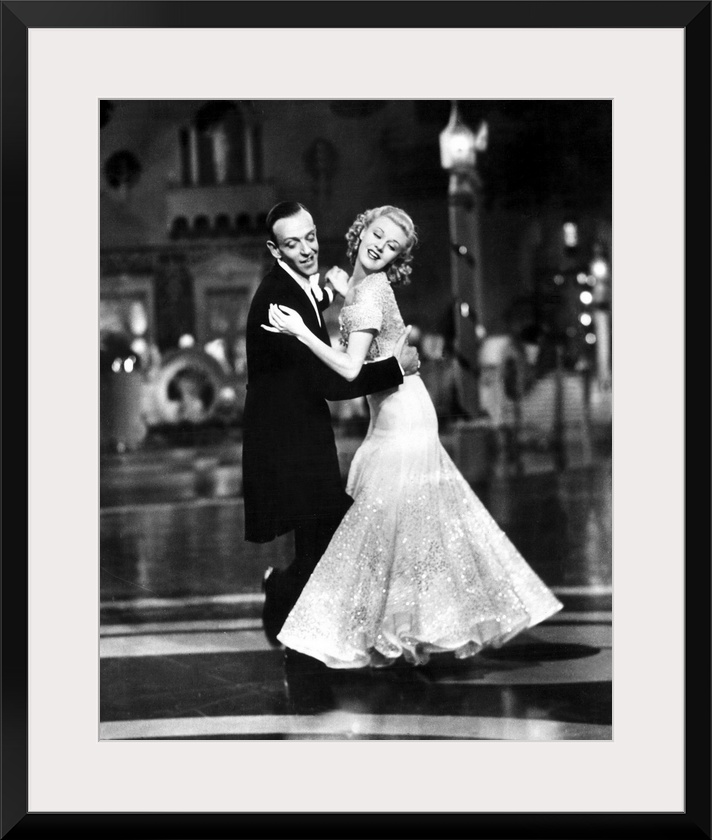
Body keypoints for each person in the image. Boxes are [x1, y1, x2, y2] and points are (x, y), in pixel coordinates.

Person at [265, 206, 563, 668]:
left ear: (397, 257)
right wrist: (341, 292)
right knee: (400, 523)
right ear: (362, 230)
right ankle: (402, 625)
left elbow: (350, 368)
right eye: (377, 235)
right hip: (393, 410)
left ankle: (379, 626)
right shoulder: (361, 288)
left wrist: (302, 331)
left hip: (402, 417)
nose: (380, 247)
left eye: (393, 247)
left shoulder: (370, 291)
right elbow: (366, 346)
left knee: (385, 522)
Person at [242, 202, 420, 649]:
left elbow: (312, 304)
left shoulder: (294, 286)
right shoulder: (278, 298)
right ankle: (285, 597)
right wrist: (395, 368)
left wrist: (330, 294)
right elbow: (329, 382)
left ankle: (300, 626)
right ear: (275, 250)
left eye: (311, 237)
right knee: (334, 535)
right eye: (292, 244)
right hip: (289, 445)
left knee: (321, 541)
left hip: (300, 436)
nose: (307, 250)